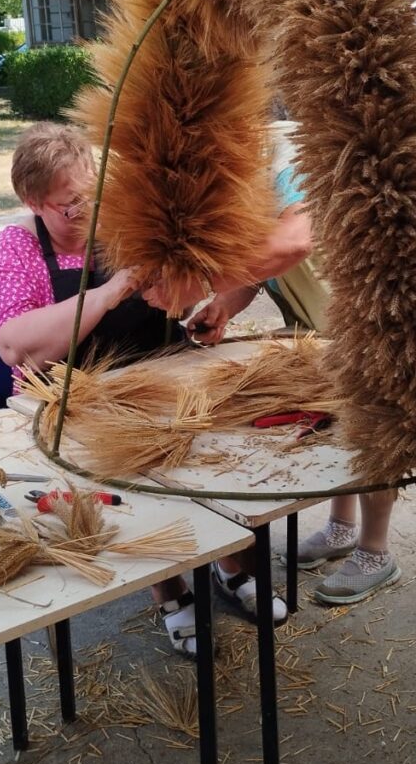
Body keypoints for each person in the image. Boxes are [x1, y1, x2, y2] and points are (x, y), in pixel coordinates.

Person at [0, 122, 286, 654]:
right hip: (78, 402)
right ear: (32, 200)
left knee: (213, 452)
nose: (84, 212)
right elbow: (15, 347)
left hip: (162, 375)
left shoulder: (124, 222)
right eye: (68, 205)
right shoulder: (19, 249)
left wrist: (207, 306)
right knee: (129, 484)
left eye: (89, 195)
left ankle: (232, 566)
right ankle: (169, 589)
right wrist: (107, 292)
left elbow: (207, 274)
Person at [155, 124, 400, 607]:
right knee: (338, 417)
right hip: (317, 319)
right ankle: (341, 528)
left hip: (370, 312)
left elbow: (293, 244)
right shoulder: (235, 185)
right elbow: (260, 268)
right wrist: (223, 303)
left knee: (375, 428)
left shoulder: (293, 162)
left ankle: (376, 551)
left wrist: (198, 279)